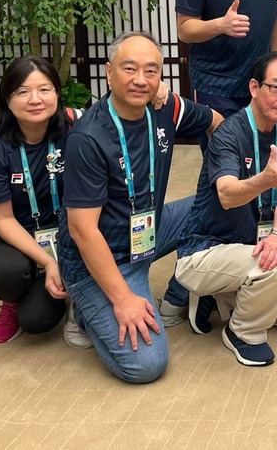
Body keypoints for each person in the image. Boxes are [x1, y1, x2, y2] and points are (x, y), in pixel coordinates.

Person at [58, 32, 223, 384]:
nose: (140, 80)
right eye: (129, 68)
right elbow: (82, 231)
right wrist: (122, 300)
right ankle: (87, 309)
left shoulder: (165, 108)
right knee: (146, 364)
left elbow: (217, 122)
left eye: (151, 71)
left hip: (148, 232)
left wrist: (224, 172)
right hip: (99, 257)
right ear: (109, 72)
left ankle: (177, 294)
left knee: (223, 202)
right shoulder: (89, 137)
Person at [174, 0, 277, 325]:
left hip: (259, 85)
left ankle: (243, 270)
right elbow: (185, 29)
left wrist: (274, 64)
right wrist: (220, 26)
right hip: (216, 85)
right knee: (224, 181)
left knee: (262, 172)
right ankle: (196, 280)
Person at [175, 52, 277, 367]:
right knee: (276, 266)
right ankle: (242, 332)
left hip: (247, 250)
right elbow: (227, 195)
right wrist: (264, 180)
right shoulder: (229, 133)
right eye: (276, 87)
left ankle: (221, 295)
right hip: (205, 251)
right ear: (255, 87)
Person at [0, 57, 76, 344]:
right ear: (7, 99)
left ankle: (62, 285)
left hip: (61, 232)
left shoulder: (73, 131)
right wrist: (48, 262)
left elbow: (115, 107)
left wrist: (158, 91)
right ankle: (13, 299)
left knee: (37, 320)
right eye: (22, 91)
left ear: (57, 93)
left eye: (44, 89)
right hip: (9, 234)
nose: (35, 99)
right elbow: (2, 218)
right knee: (5, 274)